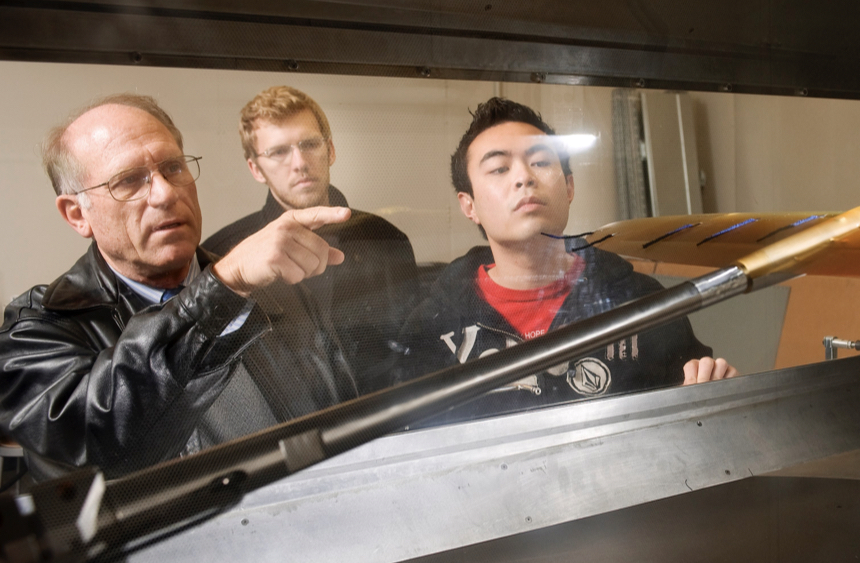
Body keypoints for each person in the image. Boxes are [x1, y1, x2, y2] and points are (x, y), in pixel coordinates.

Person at [0, 94, 354, 482]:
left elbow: (338, 416)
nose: (166, 193)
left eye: (173, 167)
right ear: (77, 214)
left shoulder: (274, 286)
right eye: (129, 181)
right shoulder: (39, 326)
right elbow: (96, 444)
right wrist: (221, 289)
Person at [396, 97, 736, 426]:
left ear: (569, 187)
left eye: (541, 162)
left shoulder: (639, 300)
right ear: (468, 205)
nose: (524, 177)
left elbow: (698, 410)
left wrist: (715, 391)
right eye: (499, 168)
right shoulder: (430, 328)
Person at [204, 86, 418, 388]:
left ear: (330, 150)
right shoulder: (223, 257)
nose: (299, 163)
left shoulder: (386, 240)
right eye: (278, 152)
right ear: (256, 169)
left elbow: (411, 356)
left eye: (309, 144)